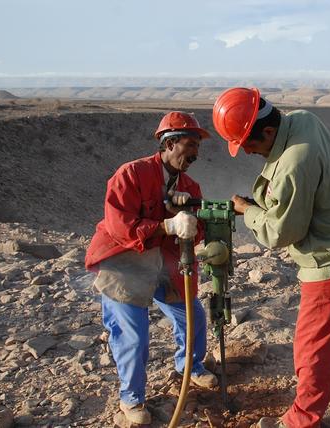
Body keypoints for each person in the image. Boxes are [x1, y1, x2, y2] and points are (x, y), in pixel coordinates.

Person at [212, 88, 330, 428]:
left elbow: (281, 233)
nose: (249, 152)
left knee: (311, 346)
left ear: (269, 132)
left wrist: (248, 210)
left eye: (249, 145)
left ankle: (302, 420)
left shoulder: (293, 164)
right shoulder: (303, 118)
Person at [84, 111, 218, 425]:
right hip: (124, 264)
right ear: (168, 143)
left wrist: (183, 216)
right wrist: (166, 223)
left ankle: (191, 367)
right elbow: (120, 226)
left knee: (193, 316)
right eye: (191, 143)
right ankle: (131, 399)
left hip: (166, 266)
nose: (196, 152)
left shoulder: (190, 186)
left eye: (198, 145)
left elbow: (195, 231)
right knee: (134, 337)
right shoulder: (130, 174)